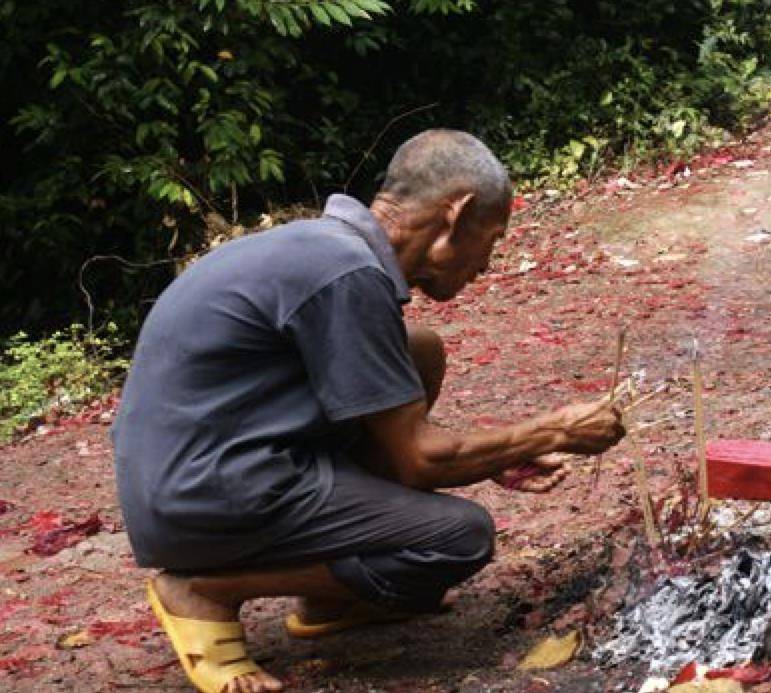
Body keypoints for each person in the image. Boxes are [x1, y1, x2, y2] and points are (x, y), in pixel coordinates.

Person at [112, 129, 625, 693]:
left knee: (418, 349)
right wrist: (550, 431)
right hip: (204, 492)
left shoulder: (330, 250)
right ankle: (207, 590)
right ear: (458, 214)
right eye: (493, 238)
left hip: (203, 468)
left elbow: (395, 431)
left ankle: (327, 598)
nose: (489, 262)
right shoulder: (346, 273)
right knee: (458, 537)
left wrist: (494, 456)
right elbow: (421, 462)